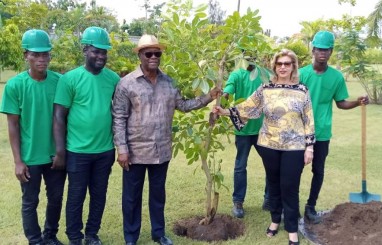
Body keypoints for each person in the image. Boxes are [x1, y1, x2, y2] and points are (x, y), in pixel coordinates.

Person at [112, 34, 221, 245]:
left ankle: (158, 233)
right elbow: (119, 117)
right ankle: (131, 237)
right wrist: (122, 149)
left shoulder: (169, 82)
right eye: (148, 53)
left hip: (161, 150)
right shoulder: (126, 84)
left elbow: (184, 105)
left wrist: (209, 96)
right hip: (135, 151)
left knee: (158, 196)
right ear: (140, 55)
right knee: (131, 197)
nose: (153, 56)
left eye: (157, 53)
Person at [214, 49, 315, 245]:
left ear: (293, 66)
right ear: (274, 66)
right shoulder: (266, 88)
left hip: (294, 147)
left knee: (290, 187)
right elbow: (249, 107)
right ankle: (275, 220)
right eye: (279, 64)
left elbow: (309, 120)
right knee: (274, 184)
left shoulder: (302, 90)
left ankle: (292, 229)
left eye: (287, 63)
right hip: (269, 145)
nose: (283, 67)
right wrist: (224, 111)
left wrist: (309, 147)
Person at [53, 26, 120, 245]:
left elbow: (119, 111)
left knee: (99, 196)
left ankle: (92, 234)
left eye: (104, 52)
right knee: (76, 196)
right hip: (77, 151)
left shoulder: (113, 79)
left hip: (105, 150)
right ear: (85, 50)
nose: (101, 56)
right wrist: (60, 151)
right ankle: (74, 237)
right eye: (96, 51)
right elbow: (59, 116)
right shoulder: (69, 79)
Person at [0, 29, 66, 245]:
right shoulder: (15, 85)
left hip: (55, 155)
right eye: (35, 54)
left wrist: (60, 151)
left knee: (55, 199)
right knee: (30, 201)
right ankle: (35, 240)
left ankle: (50, 235)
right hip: (30, 157)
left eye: (45, 54)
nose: (41, 59)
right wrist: (18, 161)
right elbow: (12, 124)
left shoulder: (59, 82)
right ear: (25, 55)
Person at [300, 30, 369, 224]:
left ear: (331, 52)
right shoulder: (301, 74)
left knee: (318, 171)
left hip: (322, 132)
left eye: (327, 49)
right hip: (298, 131)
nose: (323, 53)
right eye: (319, 49)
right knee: (293, 170)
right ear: (313, 50)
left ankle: (310, 207)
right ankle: (289, 208)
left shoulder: (336, 77)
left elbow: (341, 103)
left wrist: (357, 102)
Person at [222, 50, 270, 218]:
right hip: (242, 130)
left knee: (271, 164)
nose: (250, 57)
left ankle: (269, 199)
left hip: (263, 129)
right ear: (241, 55)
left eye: (252, 53)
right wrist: (222, 99)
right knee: (240, 166)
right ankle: (238, 202)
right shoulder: (236, 75)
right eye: (246, 54)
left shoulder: (265, 74)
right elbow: (227, 92)